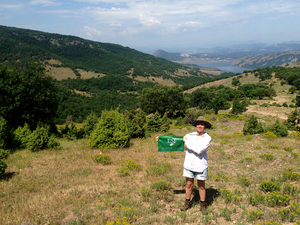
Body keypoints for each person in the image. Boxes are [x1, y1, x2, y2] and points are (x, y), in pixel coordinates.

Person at [180, 116, 212, 213]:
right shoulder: (190, 135)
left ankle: (202, 204)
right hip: (189, 163)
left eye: (202, 124)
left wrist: (187, 142)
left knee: (201, 186)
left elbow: (199, 150)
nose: (200, 126)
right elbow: (178, 140)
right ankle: (187, 202)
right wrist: (161, 139)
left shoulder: (207, 138)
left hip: (200, 165)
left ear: (205, 126)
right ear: (196, 125)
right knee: (189, 184)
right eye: (198, 124)